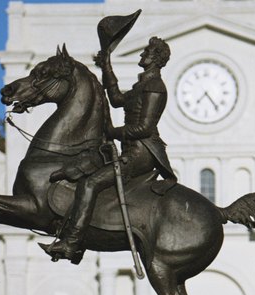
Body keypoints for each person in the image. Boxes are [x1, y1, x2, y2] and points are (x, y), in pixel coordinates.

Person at [41, 36, 177, 264]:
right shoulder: (142, 85)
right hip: (130, 149)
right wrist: (106, 65)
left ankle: (72, 243)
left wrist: (112, 132)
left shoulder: (155, 87)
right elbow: (116, 99)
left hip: (141, 153)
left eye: (147, 53)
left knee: (90, 183)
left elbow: (145, 127)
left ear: (156, 59)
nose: (142, 55)